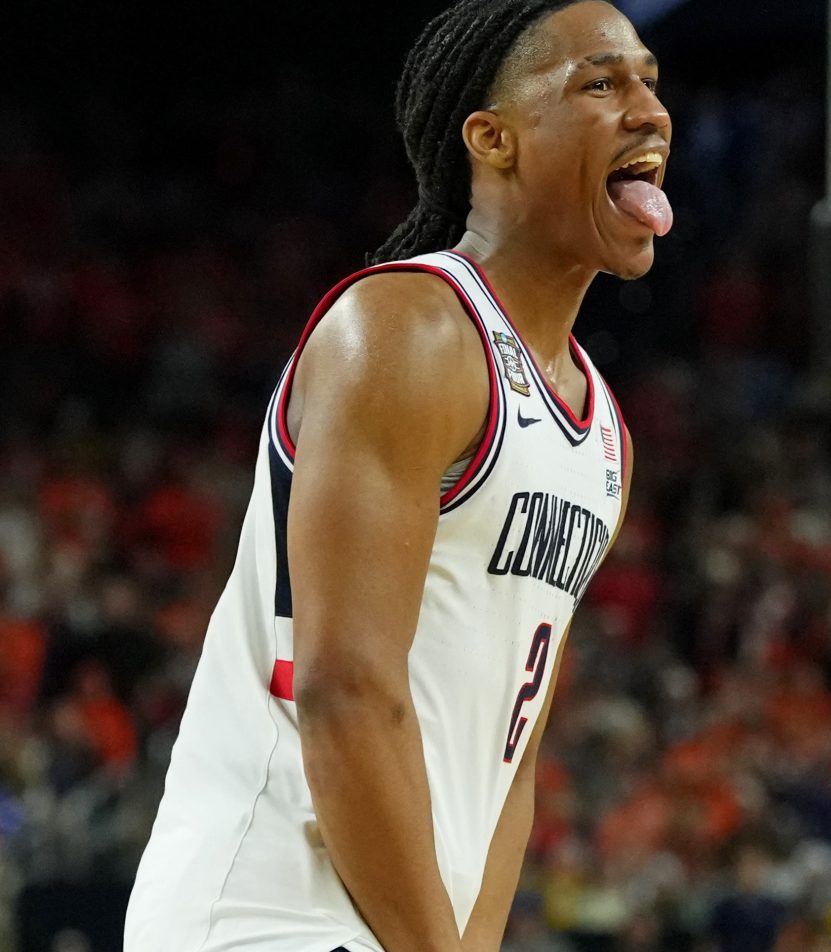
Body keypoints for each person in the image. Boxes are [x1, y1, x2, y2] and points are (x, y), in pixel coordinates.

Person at [125, 2, 670, 949]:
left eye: (650, 83)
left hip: (396, 926)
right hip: (269, 913)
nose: (650, 111)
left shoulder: (603, 437)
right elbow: (344, 689)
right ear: (492, 139)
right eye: (600, 82)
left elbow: (512, 759)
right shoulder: (406, 329)